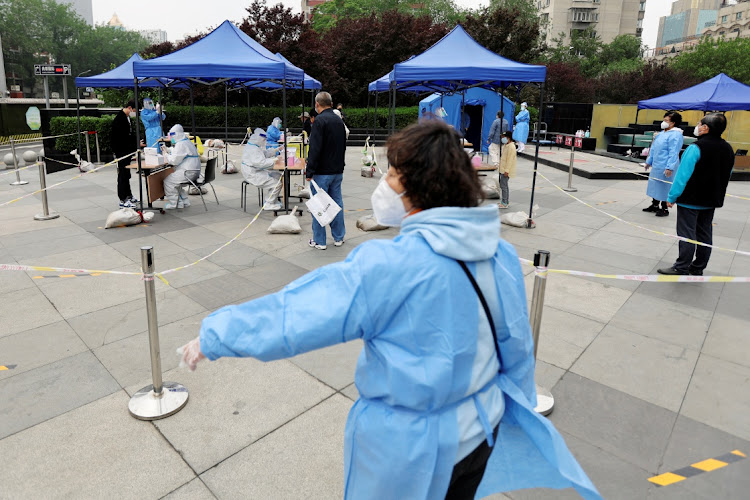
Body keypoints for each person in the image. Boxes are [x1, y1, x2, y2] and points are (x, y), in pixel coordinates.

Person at [177, 120, 601, 500]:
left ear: (418, 185)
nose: (386, 181)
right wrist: (516, 410)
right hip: (479, 432)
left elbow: (296, 313)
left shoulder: (388, 266)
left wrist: (215, 335)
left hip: (408, 451)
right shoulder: (500, 255)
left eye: (394, 172)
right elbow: (517, 348)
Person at [658, 113, 734, 276]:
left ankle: (681, 266)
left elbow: (682, 176)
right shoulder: (728, 148)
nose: (697, 127)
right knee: (705, 233)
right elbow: (728, 174)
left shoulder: (695, 148)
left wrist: (671, 197)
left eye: (699, 124)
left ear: (706, 128)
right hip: (711, 199)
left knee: (687, 233)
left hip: (690, 199)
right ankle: (698, 266)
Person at [306, 91, 346, 250]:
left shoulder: (319, 121)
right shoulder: (338, 120)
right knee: (337, 204)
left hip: (322, 171)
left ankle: (319, 241)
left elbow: (314, 149)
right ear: (331, 103)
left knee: (318, 205)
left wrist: (310, 171)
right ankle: (338, 237)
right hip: (337, 170)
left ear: (317, 104)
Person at [643, 111, 684, 217]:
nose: (663, 122)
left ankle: (664, 208)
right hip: (657, 165)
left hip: (666, 165)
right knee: (655, 185)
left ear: (673, 123)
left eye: (666, 120)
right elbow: (653, 148)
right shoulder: (661, 134)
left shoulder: (676, 135)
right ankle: (654, 205)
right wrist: (649, 161)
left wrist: (670, 167)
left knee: (665, 186)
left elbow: (674, 152)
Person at [110, 100, 143, 208]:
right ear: (129, 107)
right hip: (121, 151)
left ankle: (128, 195)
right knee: (123, 174)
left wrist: (137, 143)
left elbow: (129, 135)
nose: (135, 112)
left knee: (126, 174)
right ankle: (122, 199)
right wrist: (135, 144)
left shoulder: (127, 117)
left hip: (127, 150)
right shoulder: (120, 119)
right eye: (134, 110)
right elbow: (121, 138)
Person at [241, 128, 283, 211]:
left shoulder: (254, 146)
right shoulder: (252, 149)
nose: (264, 141)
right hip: (252, 174)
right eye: (264, 139)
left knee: (279, 176)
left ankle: (273, 199)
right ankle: (268, 203)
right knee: (276, 184)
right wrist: (274, 160)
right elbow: (261, 163)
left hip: (256, 171)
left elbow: (264, 154)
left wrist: (277, 150)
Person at [162, 124, 201, 210]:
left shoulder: (181, 144)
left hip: (188, 172)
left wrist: (165, 154)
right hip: (193, 171)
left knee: (168, 182)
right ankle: (184, 201)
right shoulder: (186, 141)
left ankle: (174, 203)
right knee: (176, 183)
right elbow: (178, 152)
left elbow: (174, 160)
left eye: (172, 135)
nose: (171, 138)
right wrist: (168, 150)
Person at [498, 131, 517, 209]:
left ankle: (505, 202)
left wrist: (507, 170)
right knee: (504, 185)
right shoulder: (506, 145)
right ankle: (505, 201)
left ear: (508, 138)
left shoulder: (511, 147)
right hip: (502, 169)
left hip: (505, 170)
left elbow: (510, 160)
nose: (502, 139)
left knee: (504, 186)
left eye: (503, 137)